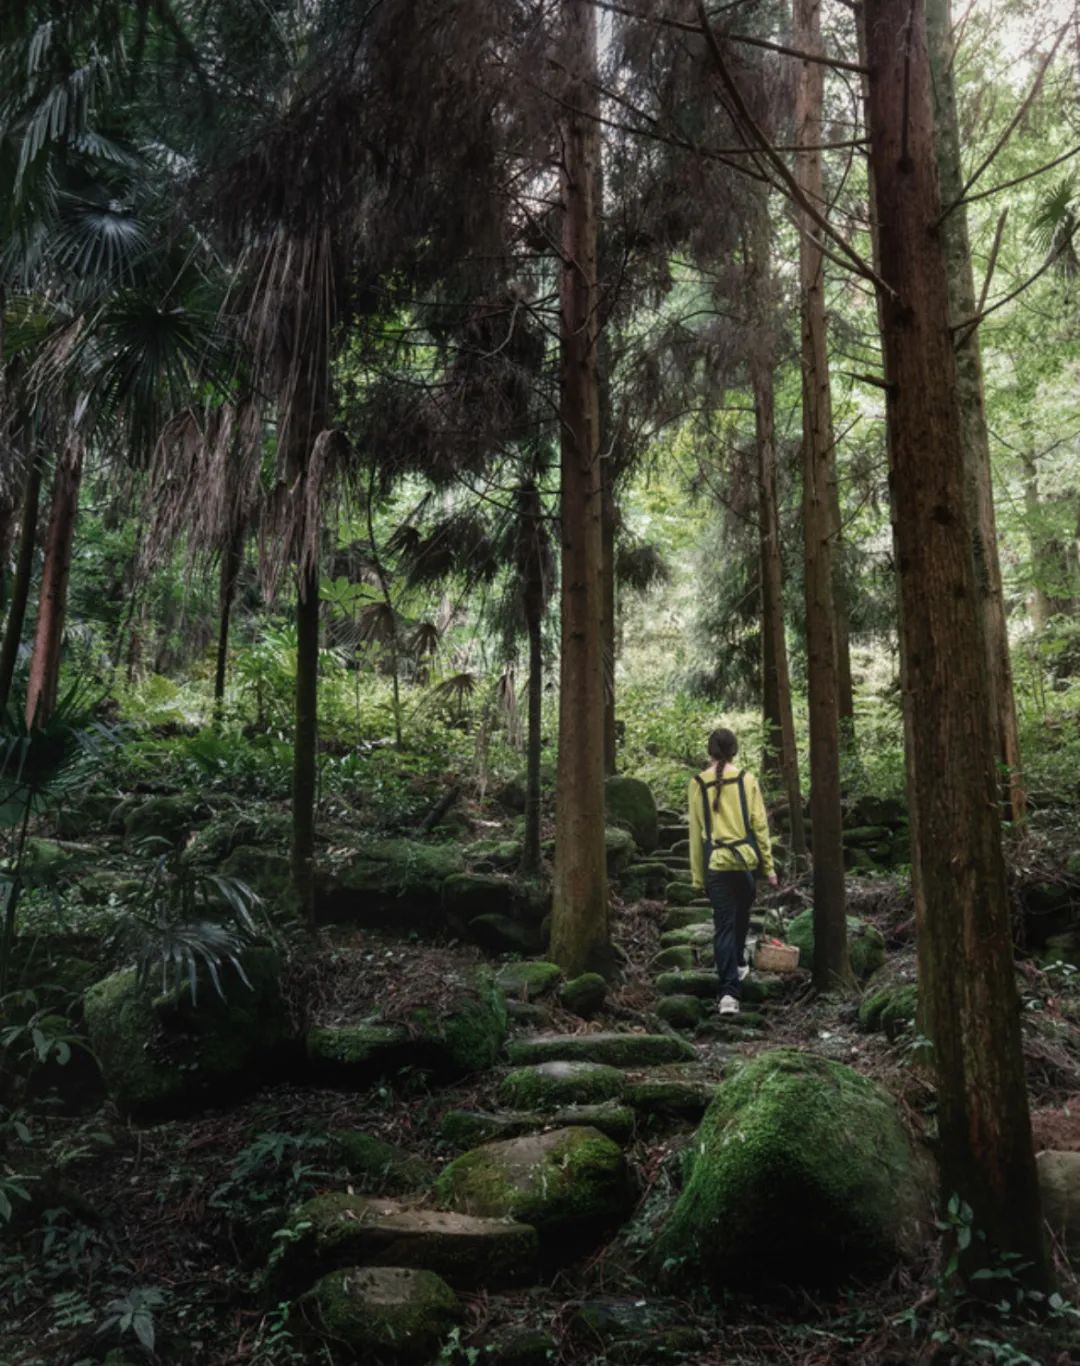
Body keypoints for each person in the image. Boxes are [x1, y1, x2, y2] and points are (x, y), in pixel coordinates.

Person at [688, 727, 777, 1017]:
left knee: (724, 925)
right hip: (745, 863)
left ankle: (728, 993)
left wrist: (698, 877)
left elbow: (696, 834)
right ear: (735, 750)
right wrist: (769, 868)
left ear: (709, 752)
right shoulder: (747, 780)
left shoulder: (698, 783)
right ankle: (736, 968)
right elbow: (760, 827)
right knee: (741, 918)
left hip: (716, 863)